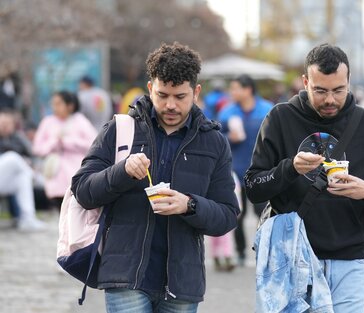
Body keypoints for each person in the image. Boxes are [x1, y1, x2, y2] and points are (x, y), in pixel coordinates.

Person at [71, 42, 239, 313]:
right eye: (162, 95)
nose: (170, 105)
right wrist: (122, 171)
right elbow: (83, 191)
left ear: (196, 92)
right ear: (150, 88)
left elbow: (228, 215)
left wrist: (189, 205)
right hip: (125, 277)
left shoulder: (214, 142)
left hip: (183, 283)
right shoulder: (120, 129)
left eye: (180, 97)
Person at [245, 44, 364, 313]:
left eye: (338, 90)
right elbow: (253, 188)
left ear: (349, 82)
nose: (330, 99)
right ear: (305, 82)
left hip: (350, 260)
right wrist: (290, 169)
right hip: (292, 257)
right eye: (320, 90)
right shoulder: (280, 117)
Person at [218, 74, 273, 266]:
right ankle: (240, 252)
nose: (232, 92)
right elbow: (216, 138)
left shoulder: (267, 110)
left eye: (235, 88)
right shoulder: (226, 112)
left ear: (248, 89)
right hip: (235, 172)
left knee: (265, 215)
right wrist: (228, 137)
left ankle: (264, 250)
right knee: (237, 215)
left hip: (262, 173)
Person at [32, 91, 97, 208]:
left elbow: (94, 144)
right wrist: (53, 143)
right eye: (53, 104)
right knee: (60, 208)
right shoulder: (48, 122)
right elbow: (37, 148)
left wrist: (69, 142)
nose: (55, 107)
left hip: (77, 172)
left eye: (58, 104)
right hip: (55, 174)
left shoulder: (80, 121)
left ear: (70, 105)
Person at [0, 108, 46, 231]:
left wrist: (27, 161)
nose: (4, 127)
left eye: (7, 124)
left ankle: (27, 219)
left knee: (22, 178)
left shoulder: (17, 138)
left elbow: (32, 153)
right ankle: (36, 178)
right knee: (12, 157)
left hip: (5, 179)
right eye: (2, 123)